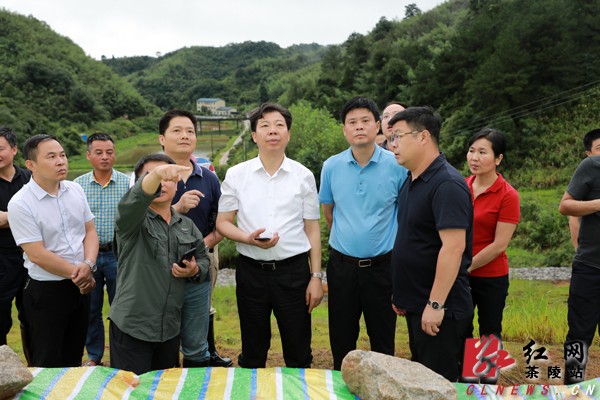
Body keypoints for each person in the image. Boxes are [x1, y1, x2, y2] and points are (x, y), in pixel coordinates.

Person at [216, 102, 323, 368]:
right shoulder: (237, 174)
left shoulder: (303, 175)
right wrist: (246, 238)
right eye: (264, 125)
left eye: (279, 125)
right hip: (251, 272)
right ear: (254, 135)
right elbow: (223, 222)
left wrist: (316, 277)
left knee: (298, 349)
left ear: (288, 134)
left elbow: (312, 228)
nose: (272, 131)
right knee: (253, 349)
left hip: (293, 272)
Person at [319, 96, 407, 370]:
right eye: (352, 122)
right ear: (344, 129)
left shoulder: (397, 165)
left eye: (366, 121)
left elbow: (404, 214)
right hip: (342, 267)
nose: (359, 127)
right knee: (341, 338)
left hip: (383, 267)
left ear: (378, 126)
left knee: (383, 338)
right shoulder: (331, 166)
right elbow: (329, 212)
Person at [388, 106, 473, 381]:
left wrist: (435, 305)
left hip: (440, 311)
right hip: (417, 304)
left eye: (398, 136)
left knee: (441, 383)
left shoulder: (446, 184)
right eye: (391, 138)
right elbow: (414, 239)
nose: (393, 145)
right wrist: (404, 296)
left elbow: (454, 248)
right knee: (423, 379)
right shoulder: (411, 180)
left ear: (423, 137)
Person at [109, 154, 209, 374]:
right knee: (131, 391)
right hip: (133, 327)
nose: (162, 183)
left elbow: (203, 258)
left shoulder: (186, 224)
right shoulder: (131, 220)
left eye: (168, 178)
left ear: (177, 185)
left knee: (163, 389)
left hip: (170, 328)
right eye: (155, 177)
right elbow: (133, 201)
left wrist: (194, 269)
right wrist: (156, 175)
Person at [7, 134, 97, 367]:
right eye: (51, 157)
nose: (61, 161)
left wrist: (88, 265)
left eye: (63, 155)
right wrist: (81, 274)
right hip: (47, 291)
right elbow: (37, 254)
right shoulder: (21, 203)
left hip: (80, 287)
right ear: (31, 165)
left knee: (74, 355)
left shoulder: (75, 190)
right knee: (46, 360)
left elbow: (89, 231)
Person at [158, 109, 231, 368]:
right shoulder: (150, 177)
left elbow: (222, 222)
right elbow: (139, 220)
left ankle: (202, 355)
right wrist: (176, 207)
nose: (185, 136)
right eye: (177, 130)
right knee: (162, 318)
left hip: (201, 259)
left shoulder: (209, 178)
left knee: (200, 312)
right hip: (158, 260)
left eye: (190, 131)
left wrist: (202, 249)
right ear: (162, 138)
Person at [74, 133, 129, 367]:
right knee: (91, 308)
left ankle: (120, 355)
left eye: (109, 152)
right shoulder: (78, 185)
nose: (105, 157)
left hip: (119, 254)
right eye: (99, 152)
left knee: (121, 308)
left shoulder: (127, 183)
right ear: (88, 155)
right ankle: (94, 356)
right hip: (90, 256)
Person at [465, 129, 520, 356]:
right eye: (471, 151)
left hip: (490, 276)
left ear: (498, 159)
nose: (474, 158)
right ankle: (465, 383)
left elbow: (499, 245)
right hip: (460, 274)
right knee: (461, 328)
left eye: (482, 152)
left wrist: (465, 267)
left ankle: (487, 388)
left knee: (489, 332)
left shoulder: (508, 195)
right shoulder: (460, 186)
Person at [558, 141, 600, 384]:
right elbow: (566, 205)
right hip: (590, 268)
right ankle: (572, 389)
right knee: (579, 336)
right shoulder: (592, 165)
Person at [0, 127, 31, 349]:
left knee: (32, 317)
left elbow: (45, 213)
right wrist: (27, 215)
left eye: (0, 148)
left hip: (32, 256)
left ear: (14, 149)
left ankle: (36, 369)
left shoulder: (31, 178)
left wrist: (8, 217)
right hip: (1, 259)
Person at [568, 129, 600, 250]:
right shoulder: (586, 173)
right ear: (588, 153)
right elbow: (573, 215)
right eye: (599, 148)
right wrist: (578, 249)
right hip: (591, 255)